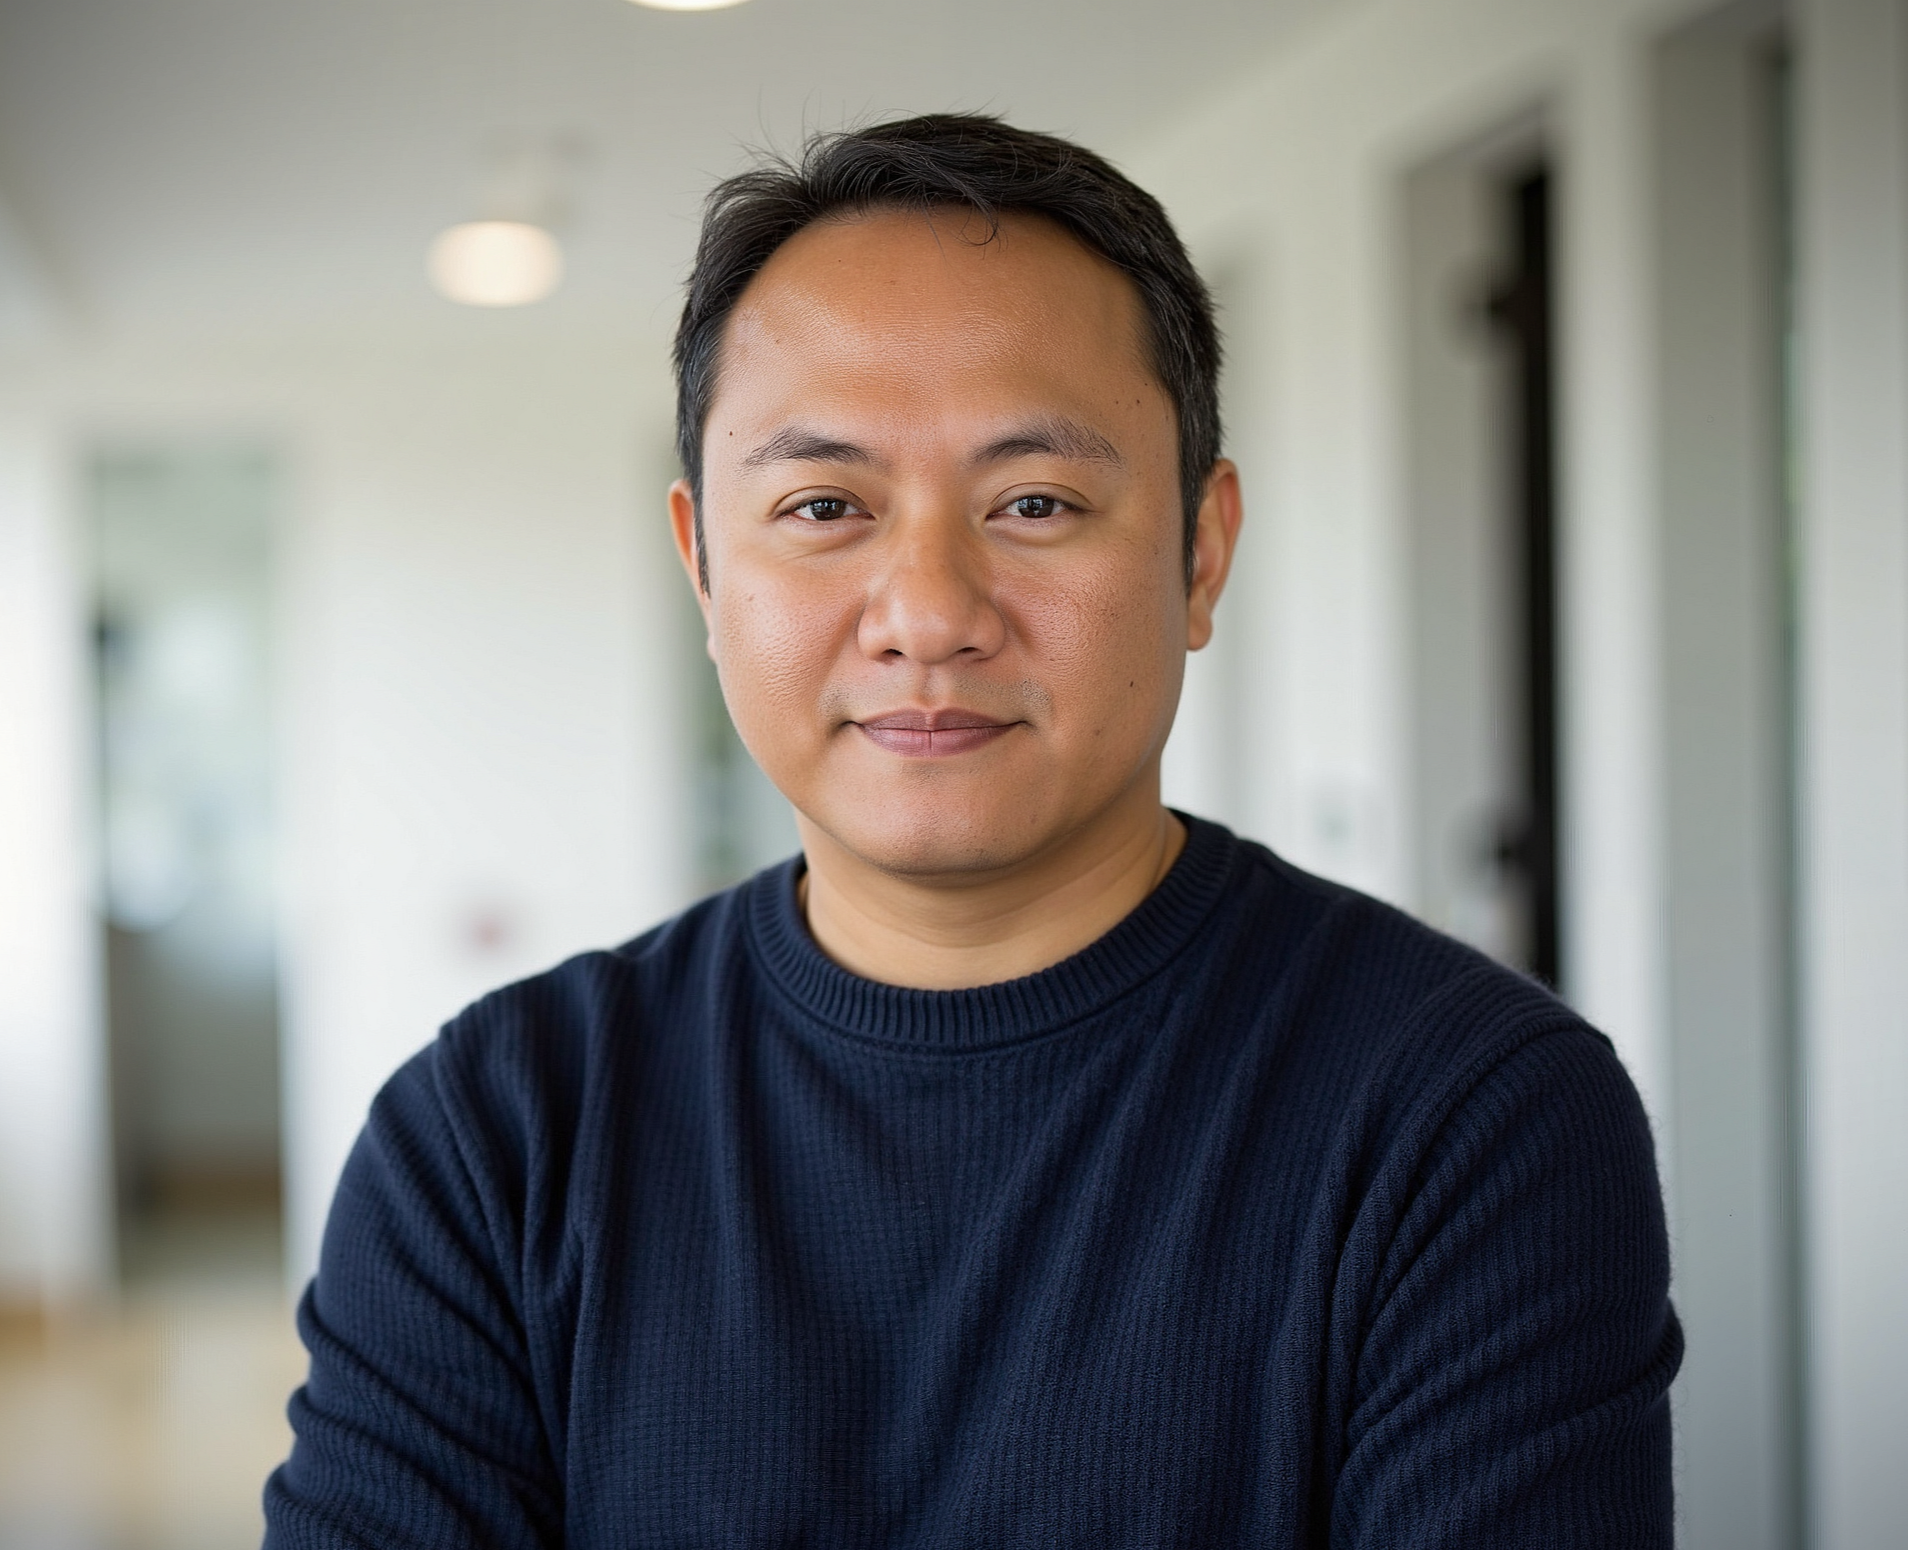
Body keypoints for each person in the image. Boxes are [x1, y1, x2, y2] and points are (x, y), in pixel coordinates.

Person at [264, 113, 1680, 1548]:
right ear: (704, 565)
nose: (930, 611)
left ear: (1200, 550)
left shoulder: (1468, 1117)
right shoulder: (499, 1136)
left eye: (1037, 501)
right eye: (824, 504)